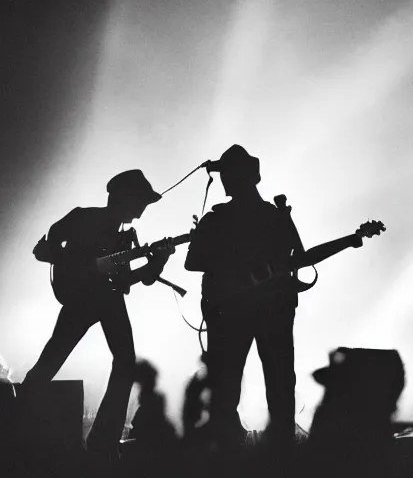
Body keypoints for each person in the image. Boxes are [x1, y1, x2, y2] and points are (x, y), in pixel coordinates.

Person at [184, 144, 366, 452]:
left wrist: (350, 240)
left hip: (253, 310)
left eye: (227, 174)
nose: (224, 181)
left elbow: (299, 259)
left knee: (260, 382)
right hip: (253, 309)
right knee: (261, 382)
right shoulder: (243, 217)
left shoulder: (268, 216)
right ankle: (268, 451)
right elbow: (193, 262)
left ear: (241, 177)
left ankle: (253, 450)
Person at [20, 169, 175, 463]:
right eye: (140, 201)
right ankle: (18, 418)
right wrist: (80, 265)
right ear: (125, 198)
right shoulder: (83, 217)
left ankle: (103, 442)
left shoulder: (124, 237)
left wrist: (159, 262)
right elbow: (46, 246)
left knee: (122, 360)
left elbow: (127, 281)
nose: (143, 209)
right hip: (83, 299)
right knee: (54, 357)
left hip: (107, 299)